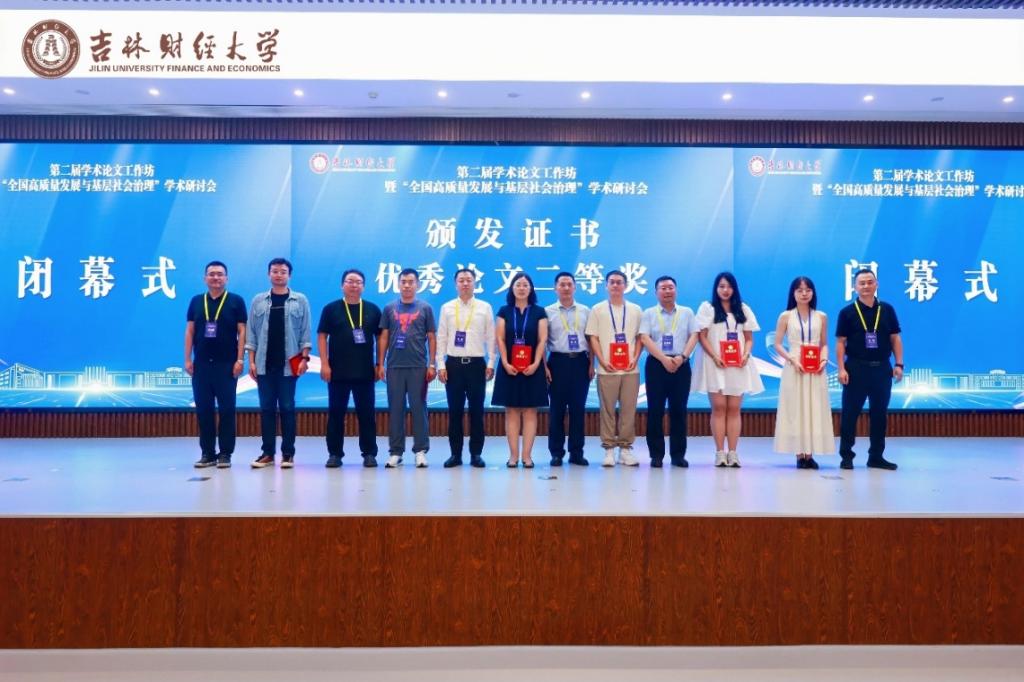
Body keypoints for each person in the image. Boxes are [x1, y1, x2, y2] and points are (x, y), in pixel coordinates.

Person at [246, 257, 312, 469]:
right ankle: (267, 453)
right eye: (275, 271)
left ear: (289, 275)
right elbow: (251, 334)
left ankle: (288, 454)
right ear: (269, 274)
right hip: (264, 364)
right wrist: (251, 362)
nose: (279, 275)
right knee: (266, 409)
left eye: (283, 271)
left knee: (287, 408)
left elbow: (305, 334)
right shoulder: (258, 300)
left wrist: (304, 359)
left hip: (289, 365)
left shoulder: (300, 300)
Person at [693, 271, 764, 468]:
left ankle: (733, 453)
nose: (726, 290)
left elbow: (748, 339)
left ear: (735, 288)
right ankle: (719, 453)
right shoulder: (707, 308)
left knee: (734, 409)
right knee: (718, 408)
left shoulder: (743, 309)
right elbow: (702, 336)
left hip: (737, 364)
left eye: (729, 286)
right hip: (715, 363)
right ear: (716, 288)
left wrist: (746, 354)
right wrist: (715, 356)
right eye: (722, 286)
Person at [835, 268, 903, 471]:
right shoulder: (847, 312)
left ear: (876, 284)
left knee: (879, 414)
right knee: (850, 414)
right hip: (856, 368)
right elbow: (840, 342)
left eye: (870, 282)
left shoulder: (887, 309)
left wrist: (899, 364)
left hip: (882, 369)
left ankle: (876, 456)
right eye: (862, 283)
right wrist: (841, 368)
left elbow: (895, 338)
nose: (866, 286)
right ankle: (846, 456)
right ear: (855, 287)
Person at [184, 261, 247, 469]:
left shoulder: (236, 301)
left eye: (220, 274)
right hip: (201, 365)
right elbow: (190, 331)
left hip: (227, 365)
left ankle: (225, 453)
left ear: (226, 278)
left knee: (227, 410)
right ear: (205, 278)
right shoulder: (196, 301)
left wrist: (240, 359)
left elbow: (242, 332)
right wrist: (187, 359)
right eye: (211, 274)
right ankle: (207, 453)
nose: (216, 278)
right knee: (204, 410)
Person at [317, 269, 382, 468]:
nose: (354, 285)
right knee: (336, 414)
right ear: (342, 285)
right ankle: (335, 454)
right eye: (350, 281)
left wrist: (380, 364)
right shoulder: (331, 309)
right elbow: (322, 336)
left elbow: (380, 338)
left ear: (363, 286)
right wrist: (324, 364)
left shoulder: (372, 309)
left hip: (365, 372)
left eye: (358, 282)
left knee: (367, 414)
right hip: (337, 372)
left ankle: (369, 453)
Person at [436, 268, 496, 468]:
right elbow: (441, 337)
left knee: (477, 412)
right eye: (461, 280)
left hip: (477, 365)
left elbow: (491, 337)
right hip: (453, 365)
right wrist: (441, 364)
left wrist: (491, 362)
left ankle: (476, 454)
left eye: (468, 280)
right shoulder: (446, 308)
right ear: (455, 284)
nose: (465, 283)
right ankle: (455, 454)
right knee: (455, 412)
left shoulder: (485, 307)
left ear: (475, 283)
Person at [772, 276, 835, 469]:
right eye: (800, 290)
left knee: (814, 408)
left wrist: (823, 360)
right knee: (796, 408)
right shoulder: (786, 316)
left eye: (808, 290)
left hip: (815, 369)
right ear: (793, 293)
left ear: (813, 293)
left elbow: (824, 344)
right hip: (795, 367)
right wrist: (792, 359)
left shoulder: (821, 316)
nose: (804, 294)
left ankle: (810, 454)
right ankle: (799, 455)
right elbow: (777, 344)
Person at [377, 268, 437, 468]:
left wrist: (431, 364)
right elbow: (383, 337)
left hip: (418, 367)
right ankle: (396, 452)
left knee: (419, 409)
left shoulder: (426, 308)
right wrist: (380, 363)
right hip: (394, 366)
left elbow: (431, 337)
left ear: (417, 284)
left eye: (411, 282)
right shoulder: (389, 308)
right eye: (403, 282)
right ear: (398, 284)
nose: (407, 285)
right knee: (395, 410)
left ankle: (420, 451)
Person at [638, 276, 700, 468]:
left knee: (679, 411)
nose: (667, 291)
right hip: (656, 365)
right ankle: (656, 455)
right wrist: (664, 359)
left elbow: (694, 335)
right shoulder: (649, 313)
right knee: (655, 410)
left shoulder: (687, 312)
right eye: (663, 288)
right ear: (656, 292)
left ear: (676, 290)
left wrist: (683, 357)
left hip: (681, 364)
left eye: (670, 287)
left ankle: (678, 455)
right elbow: (644, 338)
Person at [584, 270, 643, 467]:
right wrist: (601, 361)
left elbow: (640, 338)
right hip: (606, 369)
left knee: (628, 410)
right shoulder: (597, 309)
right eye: (612, 282)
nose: (616, 285)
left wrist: (635, 358)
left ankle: (625, 450)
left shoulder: (635, 309)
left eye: (619, 282)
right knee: (607, 410)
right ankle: (608, 449)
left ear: (625, 285)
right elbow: (593, 338)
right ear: (606, 286)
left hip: (630, 370)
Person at [492, 273, 549, 468]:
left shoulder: (539, 312)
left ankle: (527, 456)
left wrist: (536, 364)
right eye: (518, 285)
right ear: (512, 288)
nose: (522, 288)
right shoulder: (504, 311)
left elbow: (542, 339)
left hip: (533, 368)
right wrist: (505, 362)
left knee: (531, 411)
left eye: (525, 285)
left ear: (531, 289)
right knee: (512, 411)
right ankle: (513, 456)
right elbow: (500, 338)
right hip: (509, 367)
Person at [545, 272, 594, 467]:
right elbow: (542, 342)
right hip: (557, 363)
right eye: (562, 284)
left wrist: (592, 364)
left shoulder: (585, 311)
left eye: (569, 284)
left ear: (575, 287)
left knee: (578, 410)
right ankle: (556, 453)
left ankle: (576, 453)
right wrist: (544, 367)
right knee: (556, 410)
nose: (566, 288)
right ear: (555, 288)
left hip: (580, 362)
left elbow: (591, 340)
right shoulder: (547, 312)